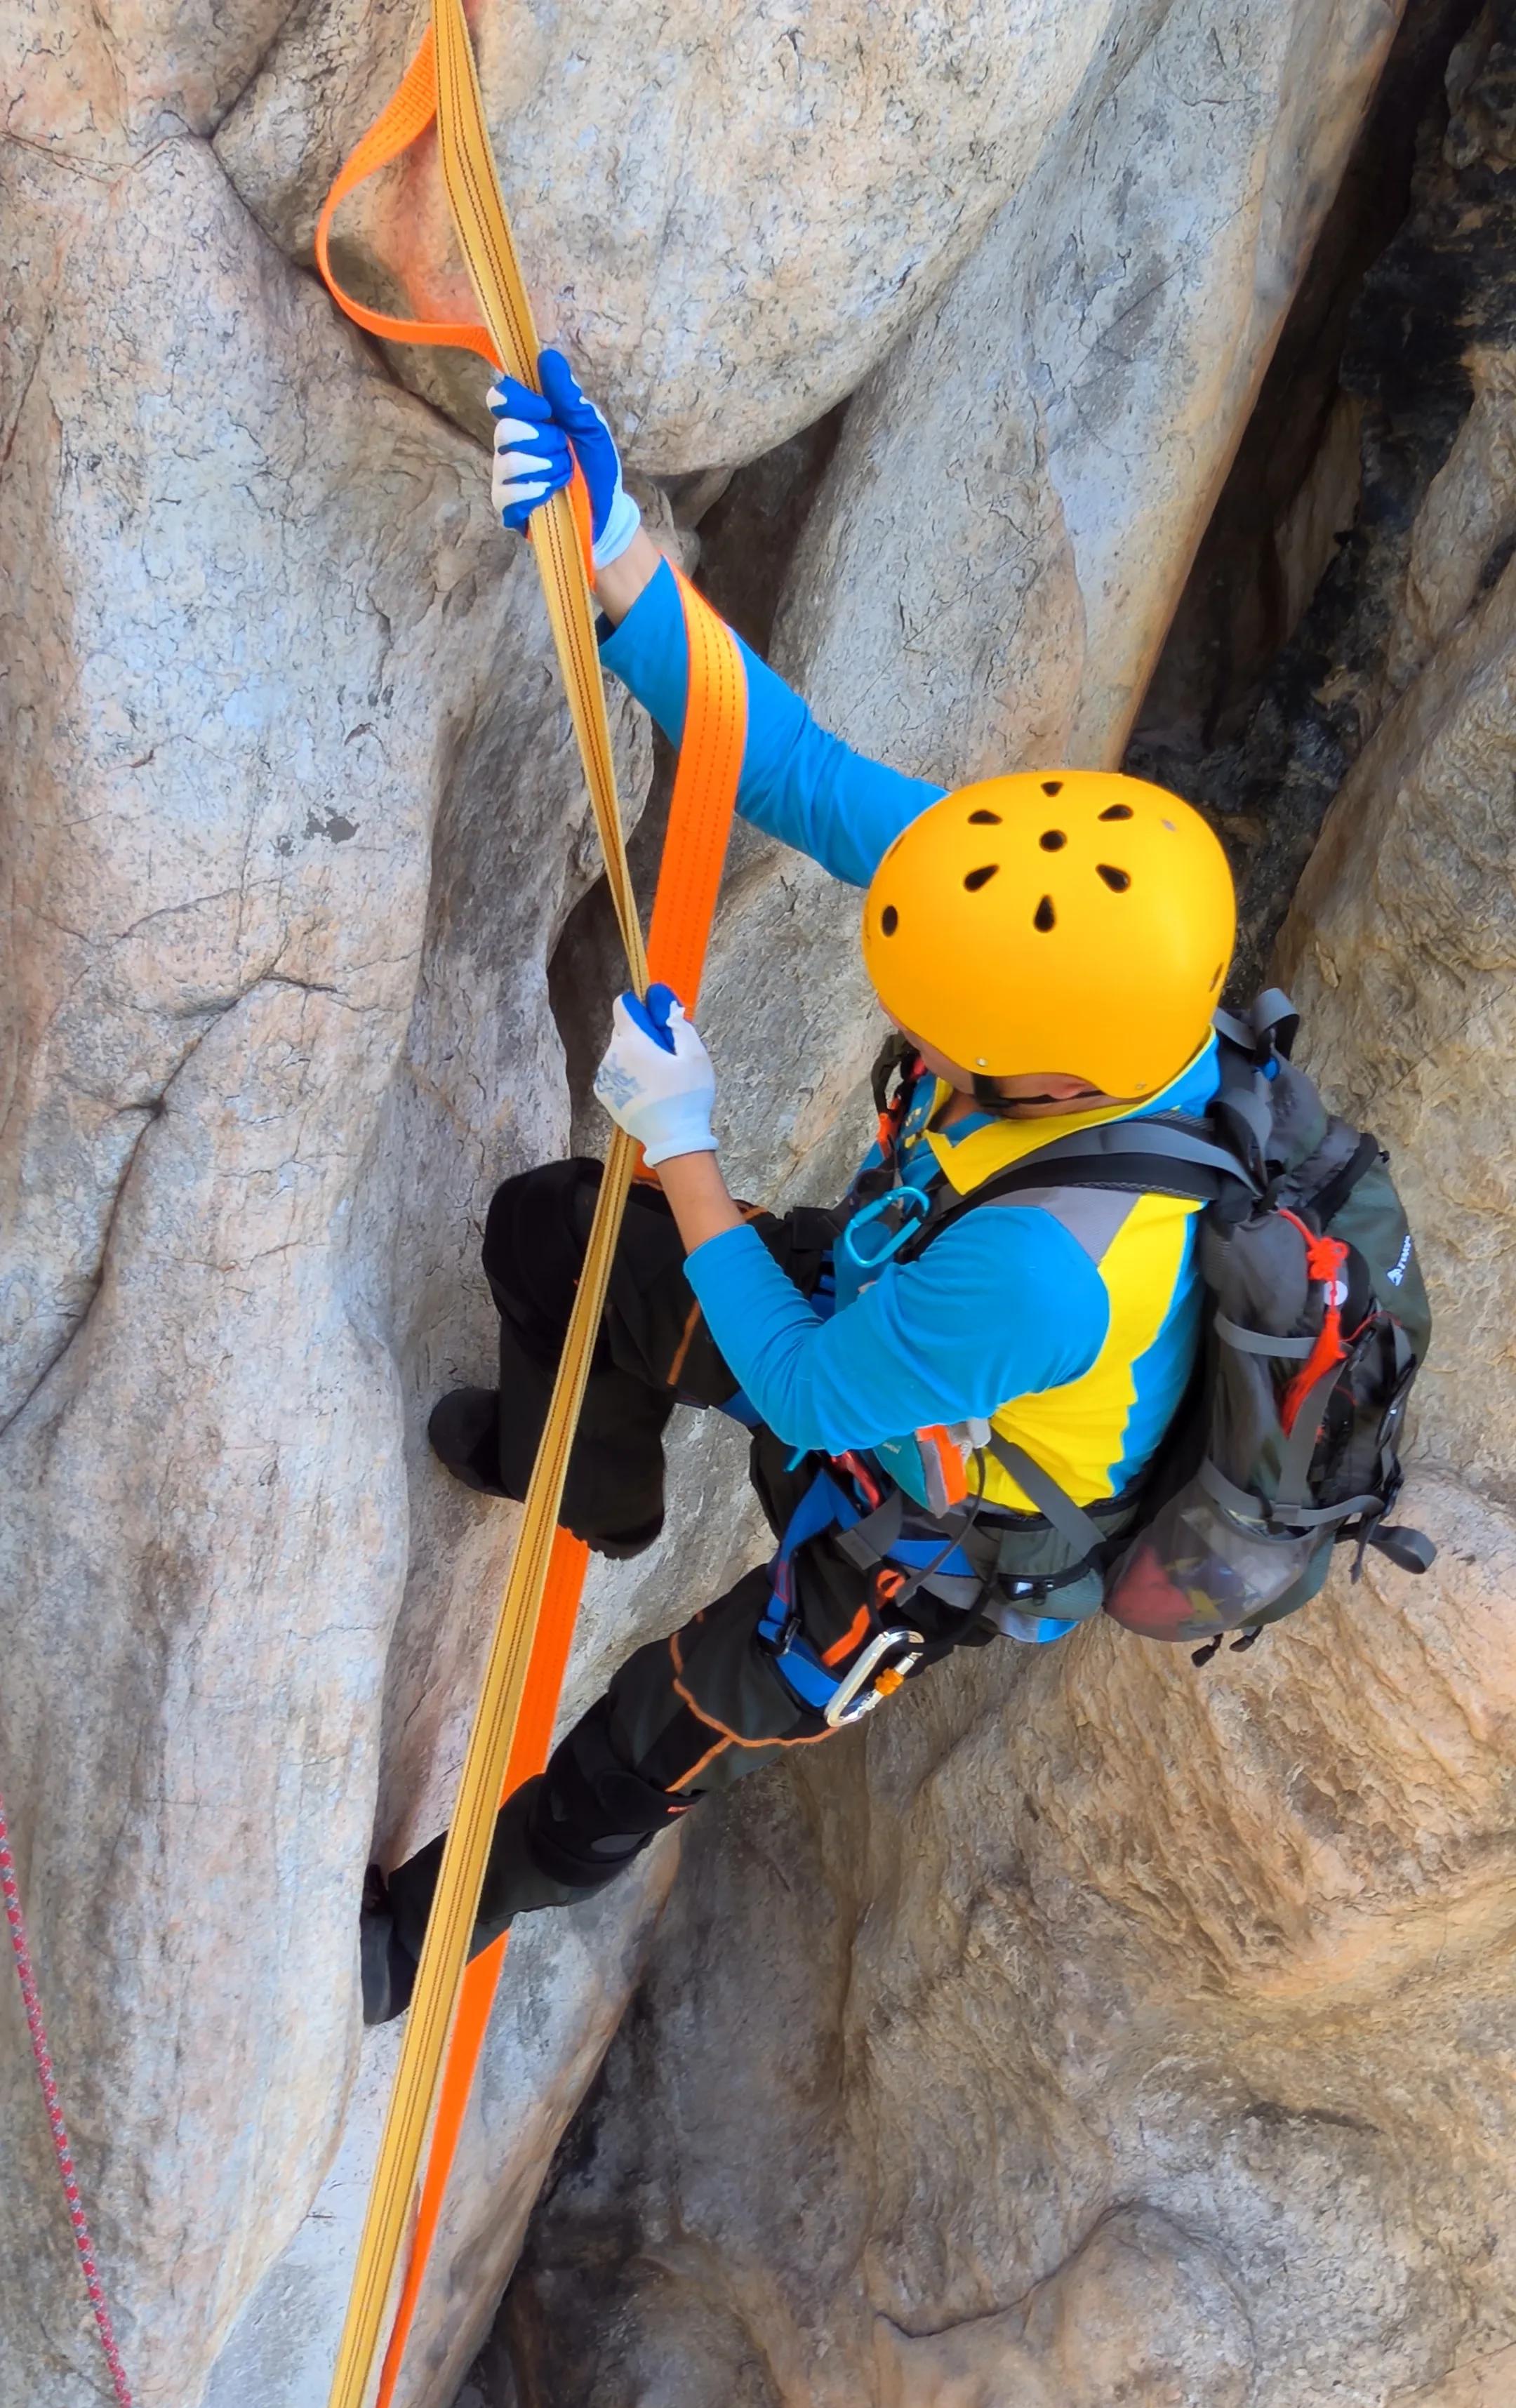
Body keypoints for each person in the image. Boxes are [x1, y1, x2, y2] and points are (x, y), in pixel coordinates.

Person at [359, 351, 1236, 2023]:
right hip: (904, 1288)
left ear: (1043, 1068)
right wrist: (619, 551)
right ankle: (593, 1483)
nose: (913, 1011)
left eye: (940, 1023)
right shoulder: (1069, 942)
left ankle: (428, 1928)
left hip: (937, 1499)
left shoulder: (1057, 1263)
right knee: (548, 1237)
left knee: (658, 1719)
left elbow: (809, 1388)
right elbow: (802, 776)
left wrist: (682, 1139)